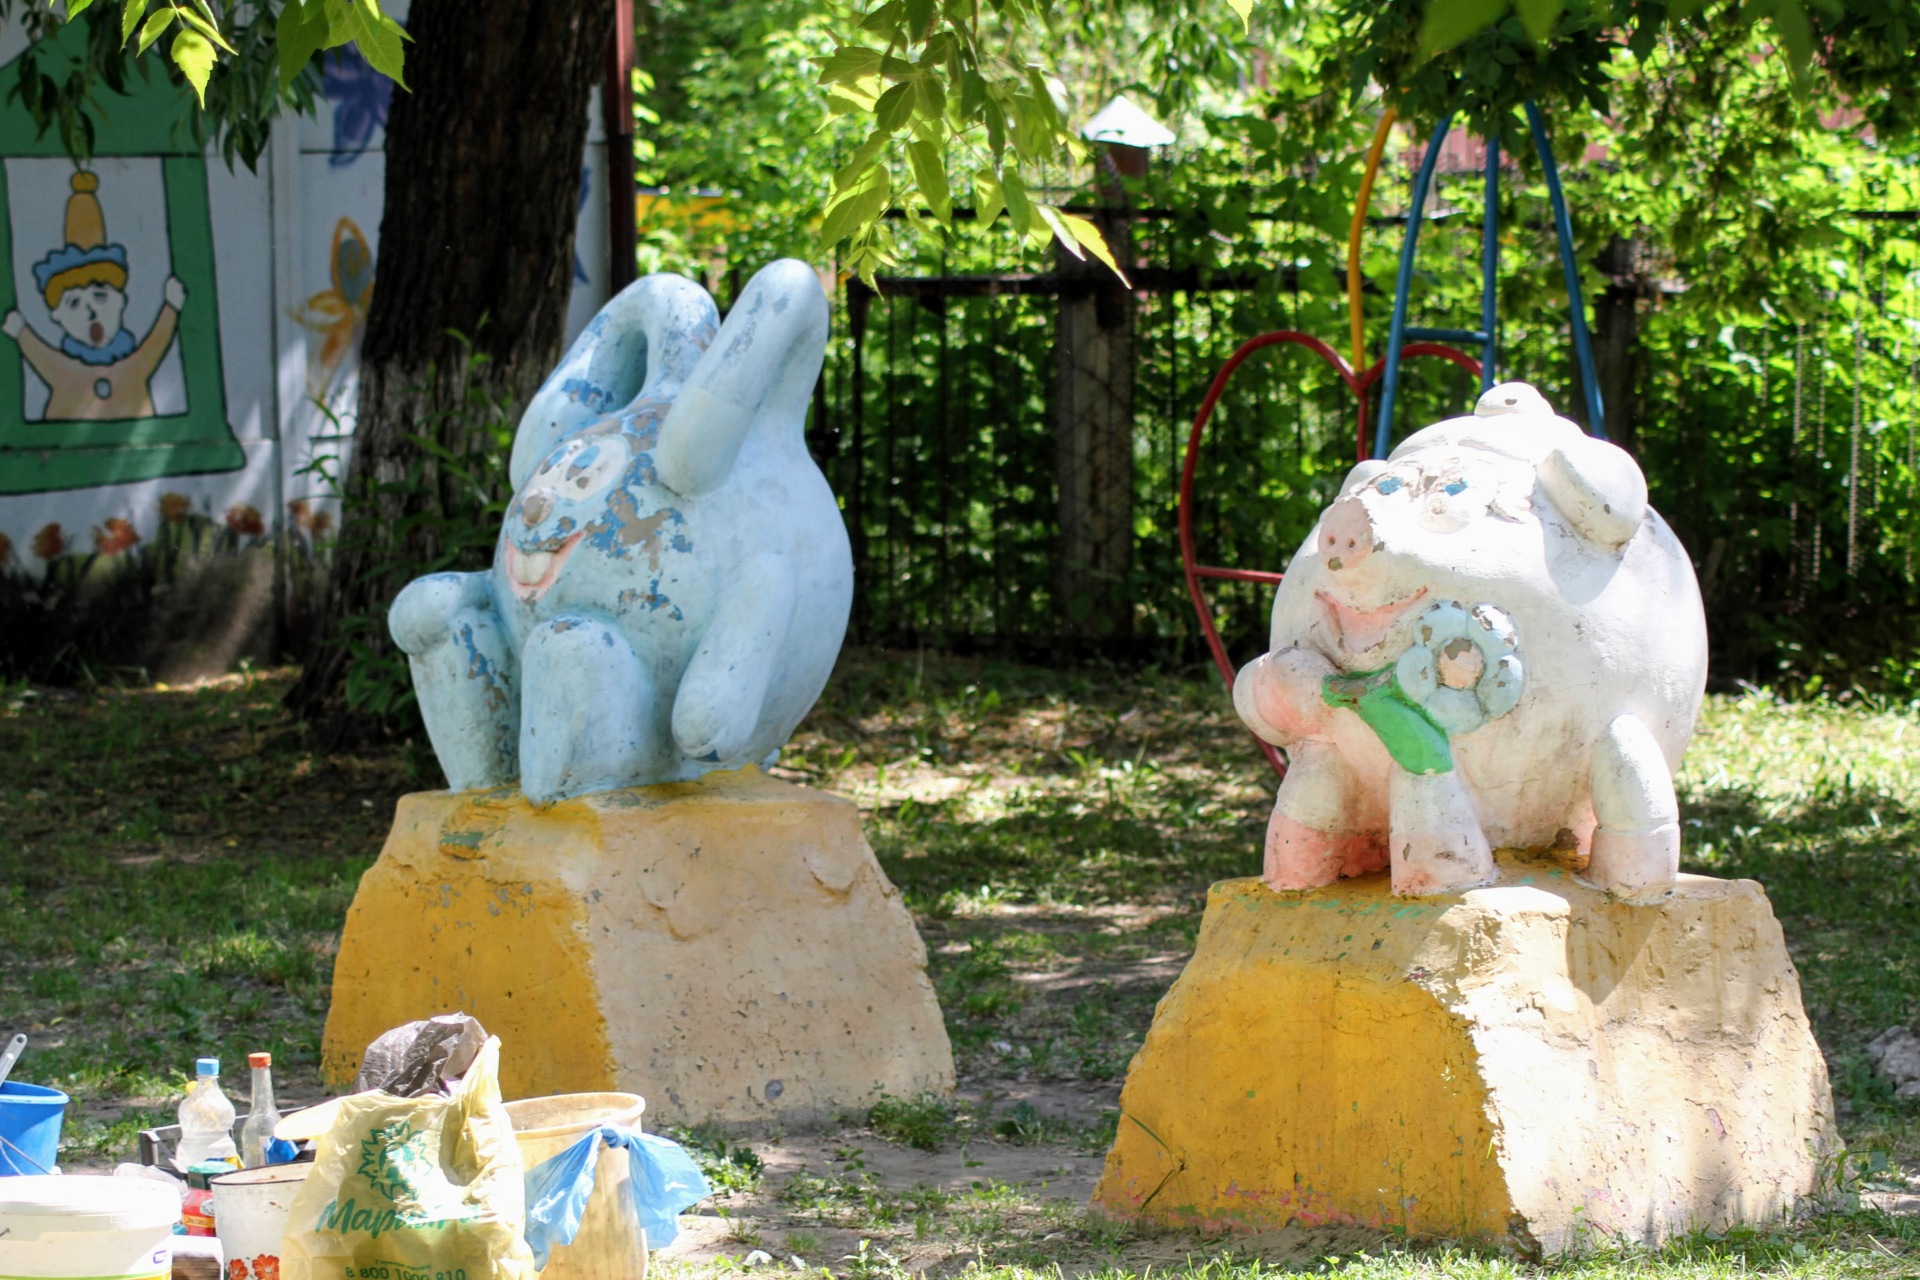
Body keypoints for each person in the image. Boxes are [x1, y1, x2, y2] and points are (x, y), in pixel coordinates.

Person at [2, 170, 185, 420]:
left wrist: (171, 308)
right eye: (74, 303)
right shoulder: (65, 370)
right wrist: (21, 332)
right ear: (57, 315)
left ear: (120, 301)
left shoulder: (133, 366)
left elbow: (156, 344)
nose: (90, 312)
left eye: (100, 297)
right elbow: (43, 359)